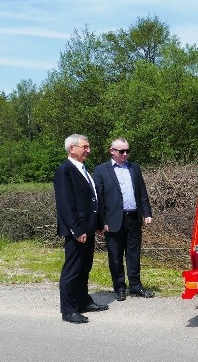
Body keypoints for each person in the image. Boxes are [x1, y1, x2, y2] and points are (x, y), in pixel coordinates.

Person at [54, 134, 109, 324]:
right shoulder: (65, 170)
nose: (88, 150)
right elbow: (65, 204)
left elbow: (93, 198)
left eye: (88, 146)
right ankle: (68, 310)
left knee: (85, 267)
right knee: (72, 269)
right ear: (72, 148)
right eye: (84, 147)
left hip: (89, 229)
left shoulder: (83, 169)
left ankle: (83, 301)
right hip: (77, 231)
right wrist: (76, 230)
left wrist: (99, 223)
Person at [93, 137, 155, 301]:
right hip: (113, 220)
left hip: (133, 218)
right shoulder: (101, 170)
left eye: (128, 151)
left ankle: (135, 286)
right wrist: (101, 221)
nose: (125, 154)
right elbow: (98, 198)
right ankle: (119, 287)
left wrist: (147, 213)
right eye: (121, 151)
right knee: (115, 256)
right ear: (112, 151)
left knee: (134, 254)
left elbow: (142, 192)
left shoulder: (134, 168)